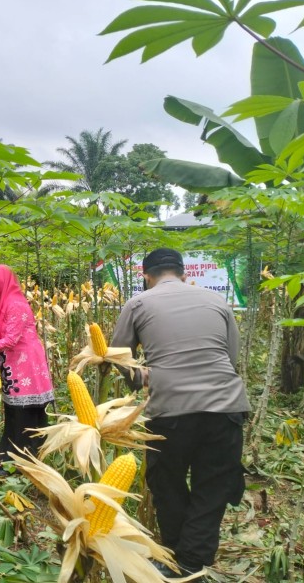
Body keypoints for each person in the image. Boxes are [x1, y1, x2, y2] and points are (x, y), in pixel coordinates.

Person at [110, 248, 250, 579]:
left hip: (171, 411)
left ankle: (179, 558)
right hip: (226, 407)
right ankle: (192, 559)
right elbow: (230, 358)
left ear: (146, 276)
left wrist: (140, 377)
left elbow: (119, 357)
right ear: (184, 273)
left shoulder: (139, 303)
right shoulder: (218, 302)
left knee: (167, 483)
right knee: (213, 486)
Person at [0, 265, 54, 475]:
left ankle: (21, 462)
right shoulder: (0, 303)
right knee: (13, 413)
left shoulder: (16, 305)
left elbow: (11, 340)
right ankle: (11, 459)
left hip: (27, 365)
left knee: (25, 413)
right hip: (11, 365)